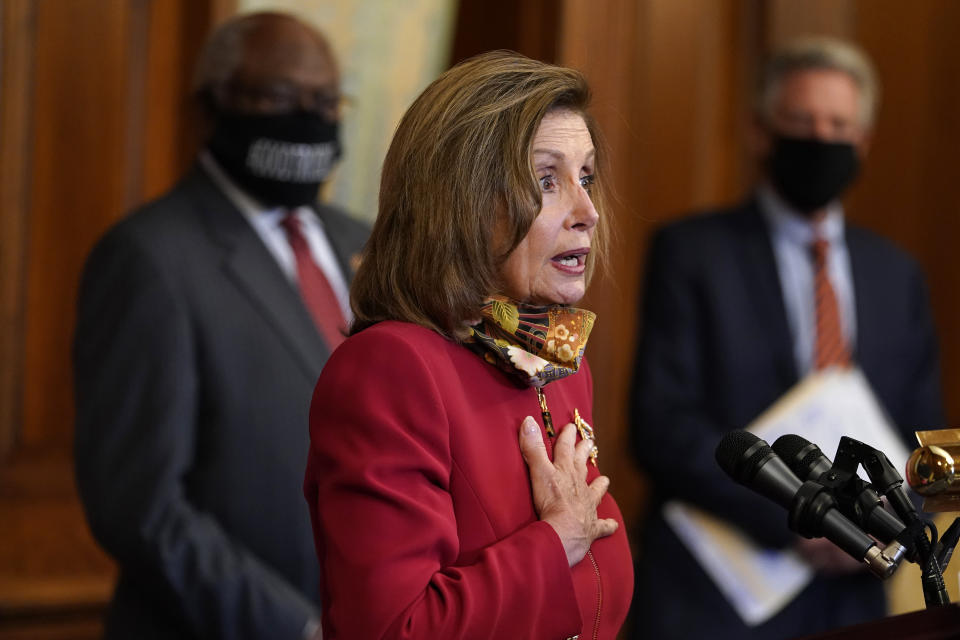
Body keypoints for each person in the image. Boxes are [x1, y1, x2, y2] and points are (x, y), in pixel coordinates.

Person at [302, 50, 634, 639]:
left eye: (585, 177)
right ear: (461, 203)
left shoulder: (559, 363)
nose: (587, 212)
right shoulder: (391, 368)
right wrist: (557, 542)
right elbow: (391, 629)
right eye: (545, 180)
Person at [629, 36, 944, 639]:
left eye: (838, 124)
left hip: (851, 596)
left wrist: (877, 523)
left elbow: (920, 439)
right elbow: (663, 425)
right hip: (714, 594)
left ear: (864, 142)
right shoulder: (691, 253)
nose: (821, 139)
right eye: (801, 122)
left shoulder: (896, 275)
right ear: (760, 131)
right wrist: (808, 517)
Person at [73, 12, 368, 640]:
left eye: (325, 101)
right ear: (213, 105)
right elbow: (141, 506)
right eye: (282, 98)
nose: (309, 118)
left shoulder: (365, 244)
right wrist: (299, 628)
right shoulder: (148, 258)